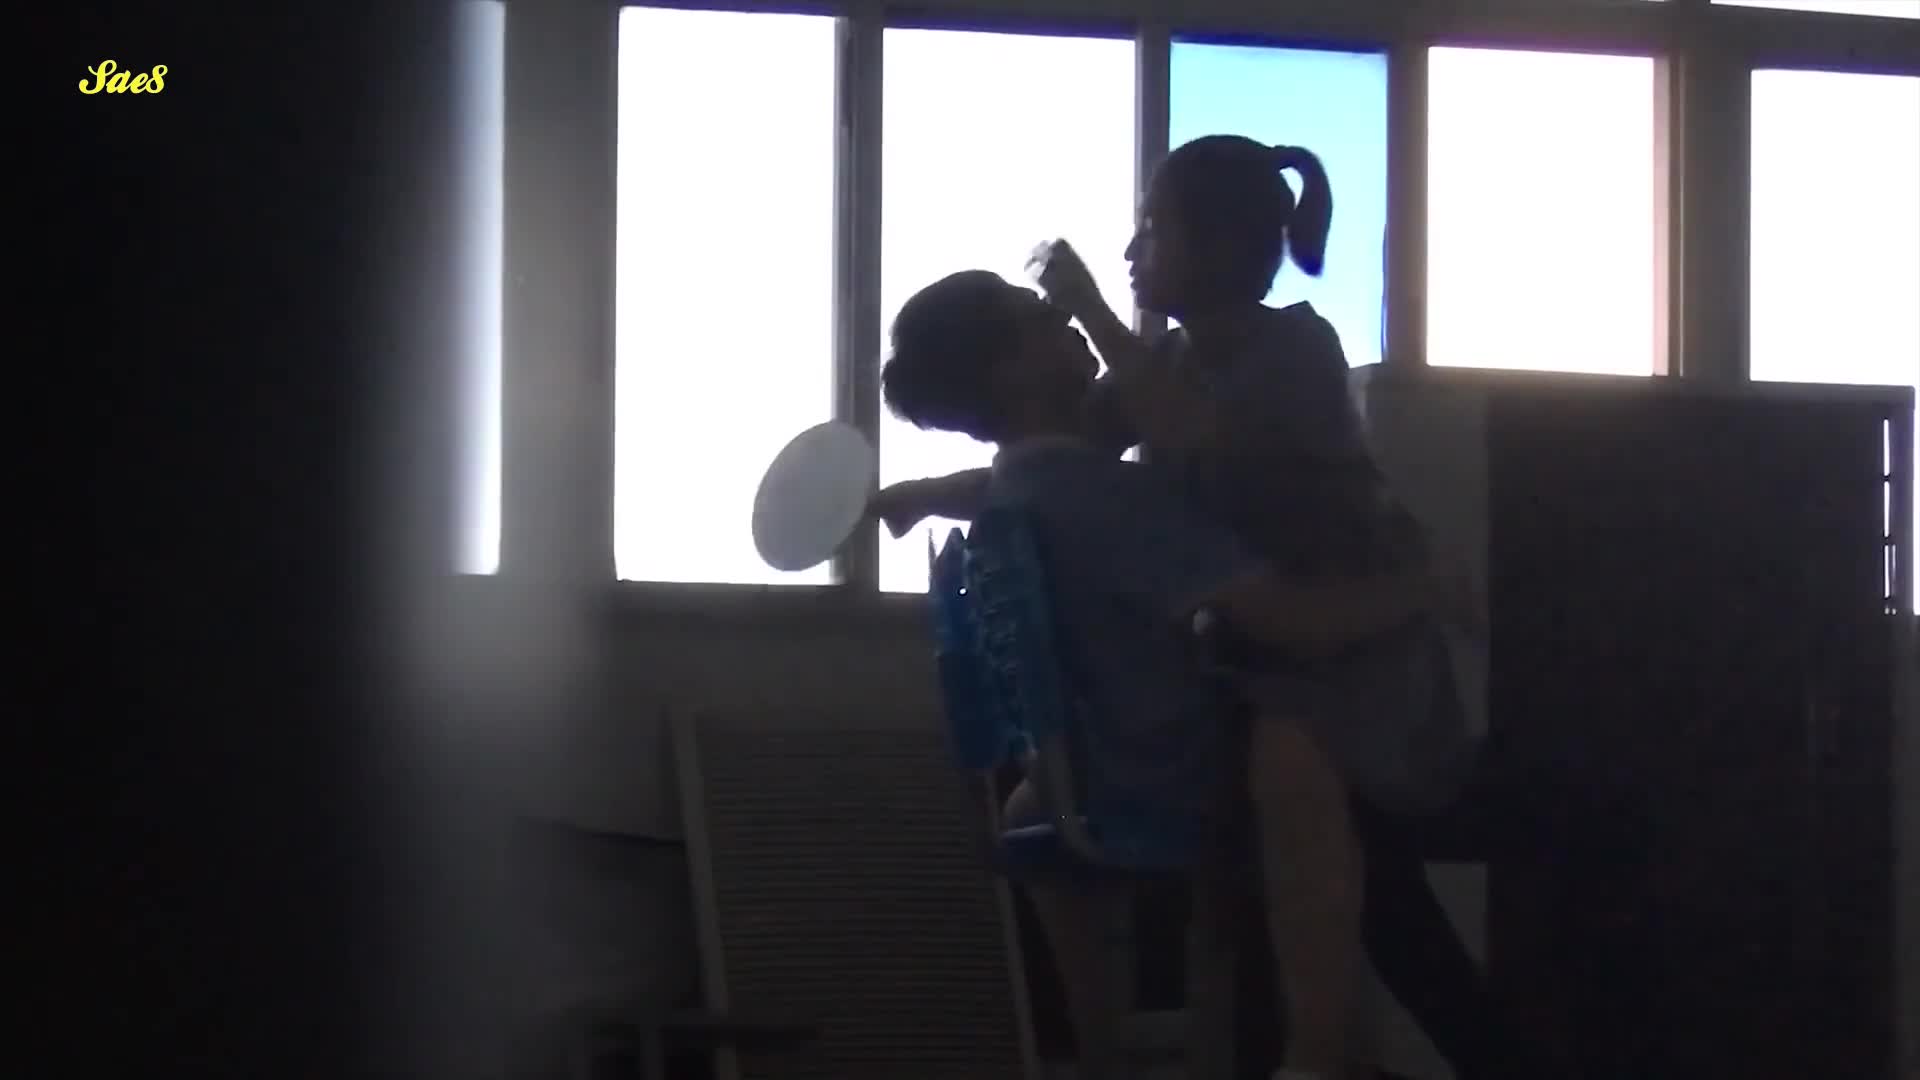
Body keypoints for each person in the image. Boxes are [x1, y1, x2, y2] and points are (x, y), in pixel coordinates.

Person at [875, 136, 1489, 1080]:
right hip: (1268, 641)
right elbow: (1059, 459)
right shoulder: (1154, 370)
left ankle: (1321, 1051)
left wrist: (1087, 311)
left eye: (1151, 230)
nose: (1129, 253)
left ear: (1221, 246)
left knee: (1296, 768)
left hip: (1352, 651)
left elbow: (1185, 434)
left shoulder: (1295, 350)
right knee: (1330, 839)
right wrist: (929, 491)